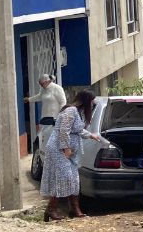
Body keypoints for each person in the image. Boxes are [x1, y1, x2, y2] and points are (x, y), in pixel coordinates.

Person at [40, 90, 101, 221]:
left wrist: (91, 135)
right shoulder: (71, 111)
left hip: (70, 152)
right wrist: (66, 148)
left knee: (74, 179)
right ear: (85, 100)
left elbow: (78, 130)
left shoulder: (78, 113)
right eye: (91, 101)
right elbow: (64, 130)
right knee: (63, 178)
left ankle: (75, 209)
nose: (92, 104)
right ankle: (51, 209)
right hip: (59, 149)